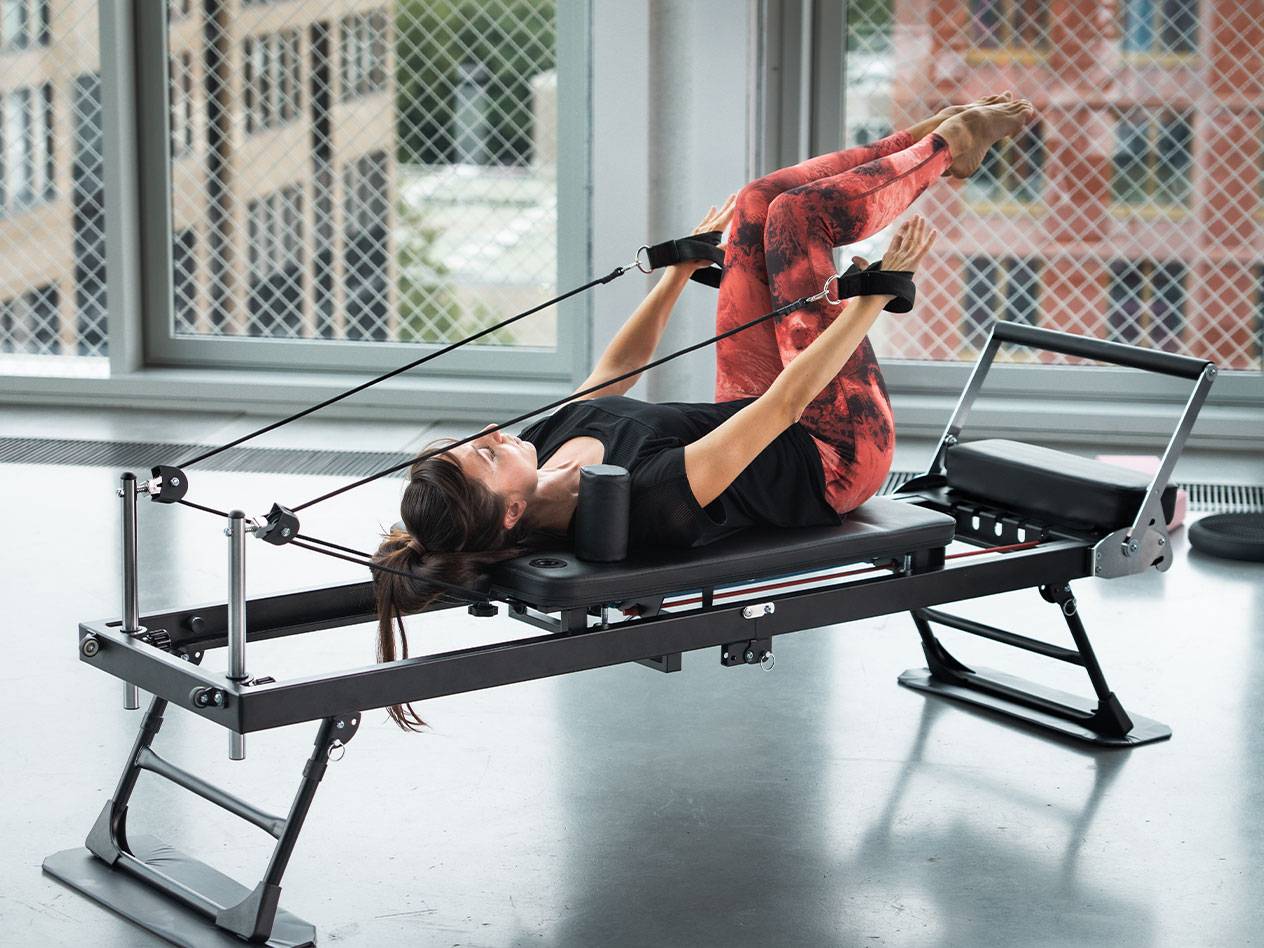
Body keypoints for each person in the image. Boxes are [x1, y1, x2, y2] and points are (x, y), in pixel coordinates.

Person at [374, 93, 1037, 729]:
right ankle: (945, 147)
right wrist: (874, 297)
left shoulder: (540, 446)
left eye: (475, 439)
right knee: (796, 221)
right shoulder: (641, 503)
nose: (494, 434)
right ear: (512, 512)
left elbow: (614, 374)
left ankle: (927, 148)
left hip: (756, 407)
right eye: (487, 454)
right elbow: (787, 405)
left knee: (756, 206)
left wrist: (678, 274)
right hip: (833, 450)